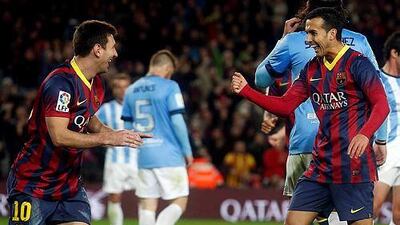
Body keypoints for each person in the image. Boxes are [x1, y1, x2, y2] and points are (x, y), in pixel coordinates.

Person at [231, 7, 389, 225]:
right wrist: (247, 91)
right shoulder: (312, 69)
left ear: (332, 34)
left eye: (313, 33)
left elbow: (382, 104)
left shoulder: (358, 63)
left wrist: (365, 135)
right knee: (293, 221)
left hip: (352, 168)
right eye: (307, 33)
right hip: (321, 166)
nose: (308, 39)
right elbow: (286, 105)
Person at [6, 20, 151, 225]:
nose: (115, 54)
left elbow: (88, 119)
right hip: (34, 184)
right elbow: (60, 136)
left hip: (69, 186)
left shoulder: (95, 84)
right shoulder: (60, 83)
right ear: (98, 50)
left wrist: (119, 135)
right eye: (112, 47)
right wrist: (106, 138)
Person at [121, 49, 193, 225]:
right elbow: (177, 121)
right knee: (180, 200)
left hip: (144, 157)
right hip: (170, 154)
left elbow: (128, 128)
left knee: (147, 205)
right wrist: (187, 150)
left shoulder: (130, 90)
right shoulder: (170, 86)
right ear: (168, 68)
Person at [96, 73, 137, 225]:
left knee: (146, 196)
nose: (122, 91)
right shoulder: (106, 109)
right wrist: (104, 142)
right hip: (115, 161)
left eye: (126, 87)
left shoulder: (139, 108)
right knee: (114, 197)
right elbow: (92, 129)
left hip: (139, 161)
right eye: (118, 87)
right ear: (113, 90)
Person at [373, 31, 400, 225]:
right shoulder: (376, 79)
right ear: (394, 53)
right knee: (371, 208)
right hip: (386, 153)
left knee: (399, 215)